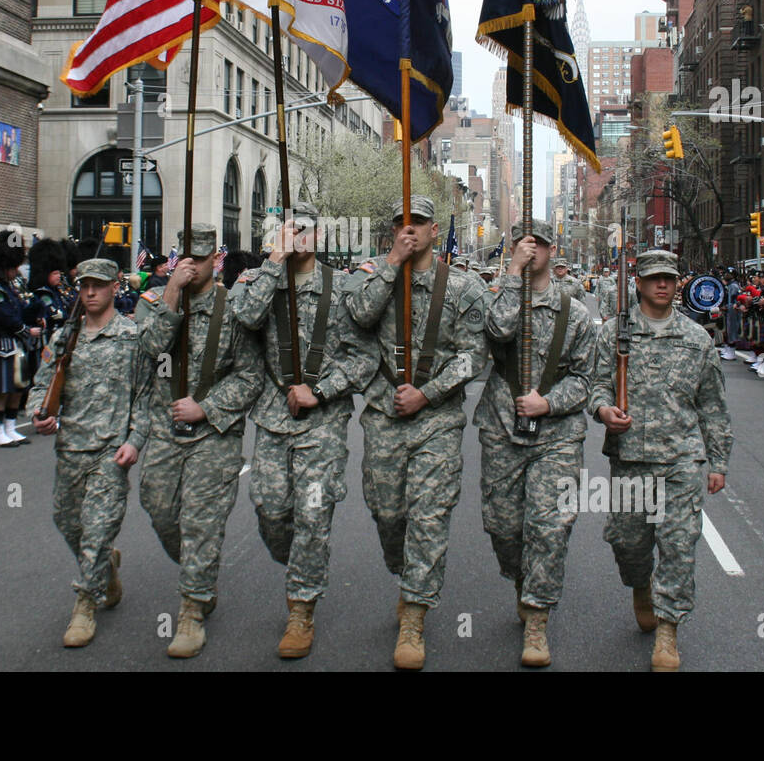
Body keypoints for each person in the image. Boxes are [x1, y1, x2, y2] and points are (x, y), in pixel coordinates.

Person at [344, 194, 490, 670]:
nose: (411, 230)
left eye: (420, 223)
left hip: (437, 421)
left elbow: (475, 357)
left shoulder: (465, 288)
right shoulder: (373, 275)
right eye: (402, 223)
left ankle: (414, 614)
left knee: (429, 515)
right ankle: (406, 573)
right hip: (384, 415)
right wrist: (392, 264)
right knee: (388, 514)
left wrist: (428, 393)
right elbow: (360, 318)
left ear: (433, 230)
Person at [228, 202, 376, 659]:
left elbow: (365, 358)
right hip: (272, 414)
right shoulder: (260, 283)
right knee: (270, 511)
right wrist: (273, 261)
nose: (299, 238)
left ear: (322, 237)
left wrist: (323, 391)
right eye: (290, 230)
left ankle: (301, 607)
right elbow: (246, 319)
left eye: (307, 231)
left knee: (312, 516)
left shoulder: (344, 288)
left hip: (322, 421)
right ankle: (301, 567)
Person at [588, 249, 733, 672]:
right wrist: (603, 411)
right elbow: (596, 386)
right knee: (629, 545)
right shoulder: (615, 333)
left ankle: (668, 632)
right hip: (630, 459)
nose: (662, 285)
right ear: (638, 283)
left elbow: (712, 405)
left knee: (679, 546)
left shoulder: (696, 338)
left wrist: (719, 462)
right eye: (653, 278)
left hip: (681, 460)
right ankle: (640, 587)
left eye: (669, 277)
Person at [135, 223, 263, 658]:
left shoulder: (235, 310)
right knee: (160, 509)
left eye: (201, 259)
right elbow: (148, 352)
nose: (192, 266)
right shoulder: (154, 302)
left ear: (217, 261)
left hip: (214, 432)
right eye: (184, 258)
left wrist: (206, 407)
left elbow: (250, 376)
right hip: (166, 430)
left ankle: (191, 607)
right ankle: (199, 573)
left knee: (200, 521)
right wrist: (172, 292)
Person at [476, 219, 596, 667]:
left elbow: (586, 380)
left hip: (557, 435)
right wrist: (511, 276)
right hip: (502, 428)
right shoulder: (504, 297)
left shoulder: (576, 312)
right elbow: (497, 332)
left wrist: (549, 403)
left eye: (540, 244)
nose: (532, 250)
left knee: (549, 527)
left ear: (552, 249)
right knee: (504, 528)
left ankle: (538, 619)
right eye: (524, 243)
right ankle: (522, 583)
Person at [29, 259, 152, 648]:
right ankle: (106, 569)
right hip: (70, 448)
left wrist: (135, 440)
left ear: (116, 286)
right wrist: (40, 413)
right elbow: (41, 384)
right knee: (69, 522)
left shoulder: (133, 337)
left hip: (110, 452)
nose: (90, 293)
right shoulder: (65, 338)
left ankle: (85, 603)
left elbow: (145, 397)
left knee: (97, 529)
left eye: (98, 285)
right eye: (84, 286)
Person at [0, 230, 41, 446]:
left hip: (16, 346)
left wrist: (36, 310)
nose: (16, 272)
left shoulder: (11, 288)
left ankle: (10, 427)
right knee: (3, 389)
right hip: (1, 346)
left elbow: (20, 312)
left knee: (17, 388)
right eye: (13, 268)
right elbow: (6, 317)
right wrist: (27, 331)